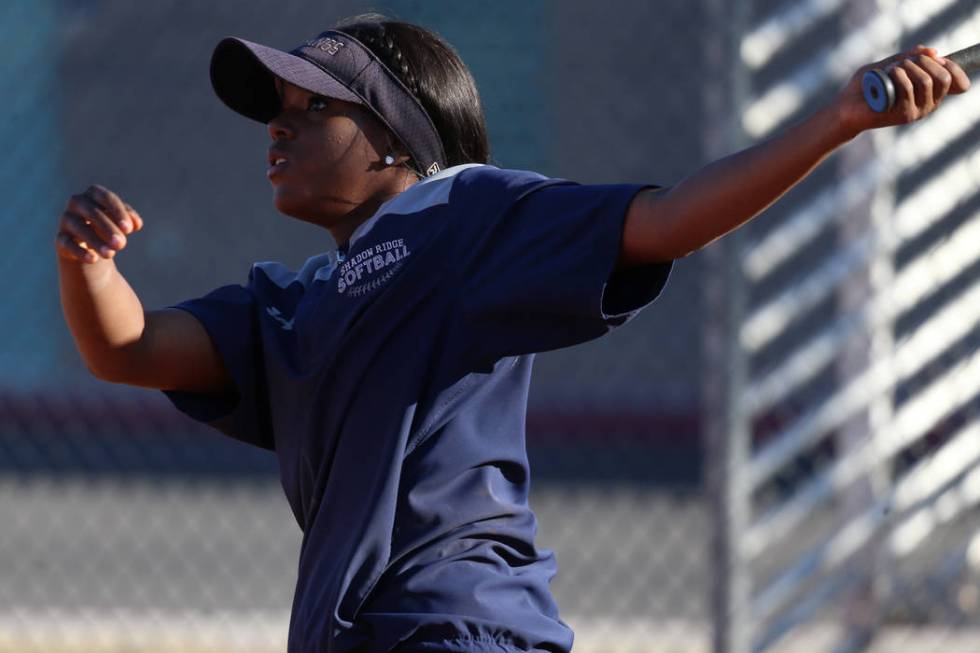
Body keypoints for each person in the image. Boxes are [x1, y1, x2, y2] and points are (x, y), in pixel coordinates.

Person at [55, 12, 970, 653]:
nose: (278, 128)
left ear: (396, 140)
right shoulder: (290, 303)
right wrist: (87, 263)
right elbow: (126, 348)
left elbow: (671, 217)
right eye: (276, 112)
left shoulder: (461, 215)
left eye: (313, 106)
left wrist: (839, 120)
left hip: (461, 625)